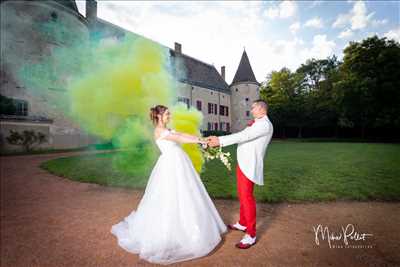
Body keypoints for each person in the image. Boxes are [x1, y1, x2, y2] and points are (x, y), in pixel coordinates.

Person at [110, 105, 227, 265]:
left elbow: (182, 134)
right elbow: (180, 139)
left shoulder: (167, 129)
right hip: (171, 165)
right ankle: (175, 232)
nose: (169, 115)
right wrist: (200, 141)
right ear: (158, 116)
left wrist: (202, 140)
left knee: (187, 193)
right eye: (166, 113)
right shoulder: (159, 131)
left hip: (179, 163)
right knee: (171, 195)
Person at [207, 99, 273, 249]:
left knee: (246, 197)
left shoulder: (264, 125)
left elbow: (243, 137)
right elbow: (242, 134)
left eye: (254, 108)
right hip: (243, 163)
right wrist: (219, 140)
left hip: (249, 165)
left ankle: (251, 234)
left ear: (262, 110)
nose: (251, 111)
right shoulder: (257, 123)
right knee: (243, 195)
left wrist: (219, 140)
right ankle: (243, 223)